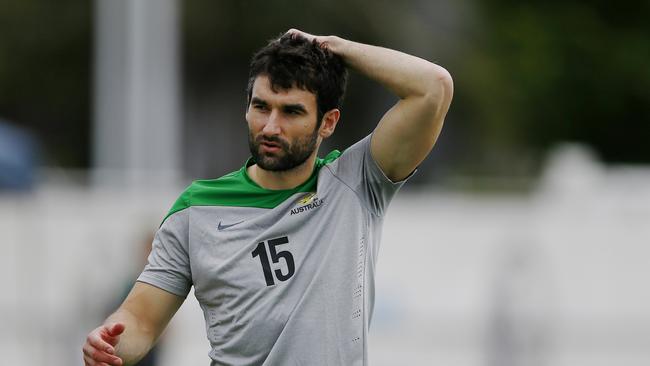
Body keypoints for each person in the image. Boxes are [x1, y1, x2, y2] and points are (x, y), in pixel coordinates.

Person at [82, 28, 453, 366]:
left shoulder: (356, 183)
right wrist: (109, 342)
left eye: (291, 111)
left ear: (328, 122)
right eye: (261, 107)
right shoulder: (196, 209)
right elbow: (140, 321)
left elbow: (433, 86)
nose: (271, 127)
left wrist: (333, 47)